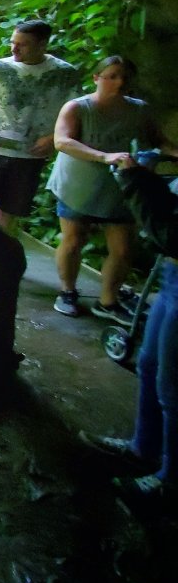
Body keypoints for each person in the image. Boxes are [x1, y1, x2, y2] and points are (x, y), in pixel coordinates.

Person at [82, 152, 178, 515]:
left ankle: (170, 480)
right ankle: (143, 448)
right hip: (172, 278)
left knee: (173, 385)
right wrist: (147, 178)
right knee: (150, 365)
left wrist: (134, 181)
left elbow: (169, 233)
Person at [48, 56, 163, 320]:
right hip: (78, 184)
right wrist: (104, 156)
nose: (119, 82)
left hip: (120, 188)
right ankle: (67, 291)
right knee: (73, 240)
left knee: (122, 249)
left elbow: (157, 141)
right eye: (112, 76)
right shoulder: (78, 107)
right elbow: (62, 141)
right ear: (96, 78)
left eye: (124, 77)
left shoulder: (139, 110)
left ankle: (108, 301)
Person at [0, 20, 81, 232]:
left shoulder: (65, 74)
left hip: (30, 155)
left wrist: (53, 138)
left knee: (9, 212)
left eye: (23, 44)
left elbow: (76, 114)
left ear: (42, 44)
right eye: (12, 42)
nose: (14, 49)